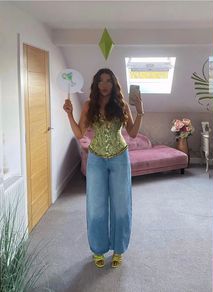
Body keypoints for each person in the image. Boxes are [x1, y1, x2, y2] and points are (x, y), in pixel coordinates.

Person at [63, 68, 144, 268]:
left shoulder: (122, 105)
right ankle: (98, 249)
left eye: (108, 80)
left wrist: (140, 111)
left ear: (114, 83)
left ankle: (119, 249)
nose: (105, 84)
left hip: (119, 158)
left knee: (121, 205)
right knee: (96, 206)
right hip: (96, 159)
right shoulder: (89, 105)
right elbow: (80, 133)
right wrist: (69, 114)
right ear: (96, 84)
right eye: (101, 81)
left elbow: (132, 133)